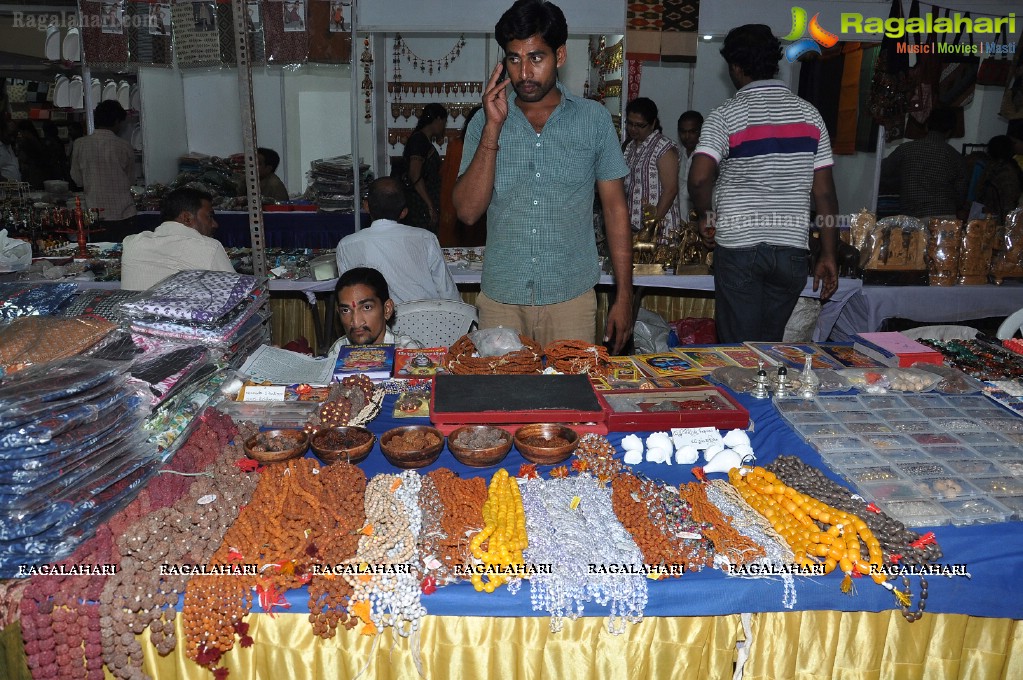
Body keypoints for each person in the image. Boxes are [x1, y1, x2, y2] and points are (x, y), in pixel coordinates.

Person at [452, 0, 633, 352]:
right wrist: (493, 127)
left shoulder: (593, 120)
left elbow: (615, 210)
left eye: (536, 58)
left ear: (560, 56)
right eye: (514, 58)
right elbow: (467, 212)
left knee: (569, 402)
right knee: (502, 405)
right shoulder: (483, 122)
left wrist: (623, 294)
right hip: (501, 298)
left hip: (571, 299)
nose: (523, 73)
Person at [688, 23, 838, 343]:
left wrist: (706, 216)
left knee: (738, 349)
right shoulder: (810, 116)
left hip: (740, 246)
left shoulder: (726, 115)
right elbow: (824, 192)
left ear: (736, 67)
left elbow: (700, 178)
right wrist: (828, 253)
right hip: (791, 251)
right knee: (769, 347)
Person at [336, 177, 459, 305]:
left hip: (376, 323)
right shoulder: (426, 238)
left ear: (366, 206)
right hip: (426, 320)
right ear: (404, 212)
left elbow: (348, 296)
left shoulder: (346, 245)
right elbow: (448, 292)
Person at [121, 187, 234, 290]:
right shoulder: (210, 248)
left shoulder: (132, 244)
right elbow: (235, 294)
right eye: (210, 216)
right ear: (186, 218)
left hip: (132, 312)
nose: (214, 224)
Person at [880, 108, 967, 218]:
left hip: (913, 217)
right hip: (945, 219)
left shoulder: (906, 150)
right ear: (950, 131)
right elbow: (960, 196)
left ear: (926, 126)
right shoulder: (957, 157)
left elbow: (882, 172)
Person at [70, 100, 137, 242]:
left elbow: (77, 179)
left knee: (101, 256)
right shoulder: (124, 146)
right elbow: (131, 180)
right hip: (124, 213)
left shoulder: (80, 144)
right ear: (117, 121)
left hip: (96, 214)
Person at [623, 97, 681, 239]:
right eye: (629, 124)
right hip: (634, 225)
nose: (633, 129)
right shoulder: (630, 147)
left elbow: (670, 190)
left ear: (653, 123)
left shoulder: (663, 147)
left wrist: (650, 226)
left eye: (639, 125)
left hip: (659, 228)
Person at [328, 267, 424, 352]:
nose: (356, 322)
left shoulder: (409, 352)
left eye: (366, 307)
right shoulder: (337, 353)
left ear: (387, 309)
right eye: (346, 310)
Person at [438, 106, 485, 246]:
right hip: (470, 206)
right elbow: (448, 178)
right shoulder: (458, 146)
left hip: (463, 205)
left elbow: (445, 177)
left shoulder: (456, 145)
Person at [403, 103, 448, 231]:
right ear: (438, 119)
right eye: (444, 122)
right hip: (420, 205)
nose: (444, 127)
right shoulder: (419, 140)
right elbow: (415, 175)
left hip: (423, 202)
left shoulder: (422, 140)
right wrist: (430, 206)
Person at [976, 135, 1023, 220]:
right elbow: (1009, 201)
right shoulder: (1008, 170)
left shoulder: (989, 167)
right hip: (1001, 218)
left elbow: (979, 192)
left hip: (988, 216)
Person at [676, 110, 703, 218]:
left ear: (702, 131)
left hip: (702, 220)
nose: (687, 136)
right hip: (679, 222)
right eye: (683, 132)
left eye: (692, 132)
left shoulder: (707, 157)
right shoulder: (676, 154)